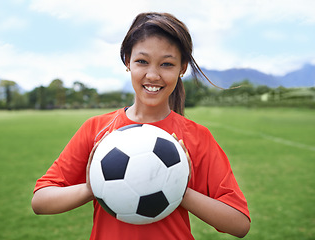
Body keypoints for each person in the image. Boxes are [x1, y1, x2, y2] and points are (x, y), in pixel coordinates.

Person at [32, 12, 250, 239]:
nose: (153, 75)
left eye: (167, 64)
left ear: (182, 68)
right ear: (128, 61)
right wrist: (91, 187)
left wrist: (180, 191)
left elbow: (239, 223)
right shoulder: (96, 129)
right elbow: (41, 201)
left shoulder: (196, 137)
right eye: (142, 61)